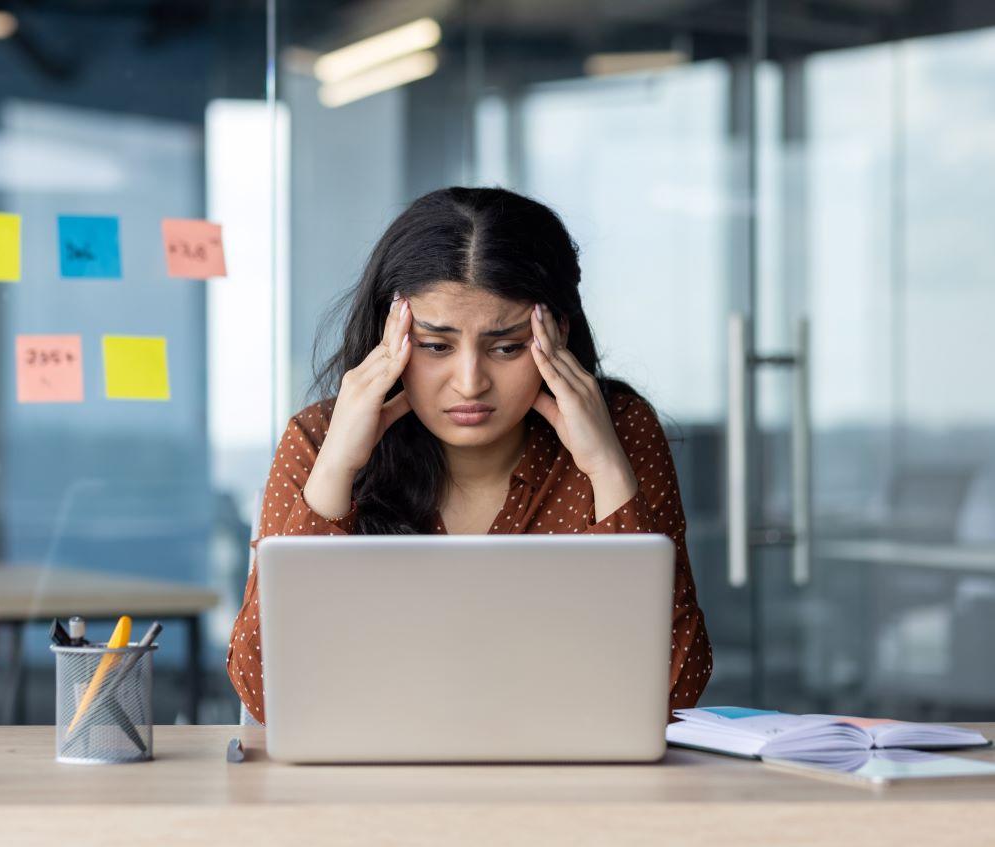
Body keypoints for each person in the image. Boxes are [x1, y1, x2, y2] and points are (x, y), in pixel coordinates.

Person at [228, 187, 711, 724]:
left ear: (557, 335)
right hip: (368, 788)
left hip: (566, 786)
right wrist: (338, 468)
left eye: (506, 347)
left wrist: (606, 471)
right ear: (389, 339)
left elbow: (675, 690)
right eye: (436, 346)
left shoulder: (617, 430)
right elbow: (263, 692)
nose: (470, 382)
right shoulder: (319, 439)